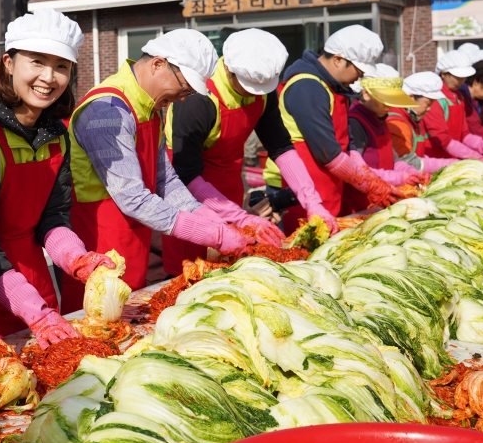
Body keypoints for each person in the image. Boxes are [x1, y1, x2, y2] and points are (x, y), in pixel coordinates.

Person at [0, 10, 114, 346]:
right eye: (37, 62)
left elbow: (53, 217)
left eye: (61, 66)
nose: (49, 77)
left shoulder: (57, 134)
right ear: (9, 63)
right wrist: (32, 309)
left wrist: (77, 258)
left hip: (37, 286)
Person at [62, 29, 256, 311]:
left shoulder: (150, 108)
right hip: (98, 253)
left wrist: (207, 217)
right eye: (184, 88)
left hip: (132, 248)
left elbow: (165, 180)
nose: (183, 98)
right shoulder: (107, 110)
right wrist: (212, 235)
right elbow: (132, 198)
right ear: (157, 64)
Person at [164, 29, 333, 276]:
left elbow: (281, 147)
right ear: (228, 69)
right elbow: (185, 173)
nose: (254, 94)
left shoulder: (263, 91)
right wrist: (240, 218)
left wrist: (313, 202)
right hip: (190, 201)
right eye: (248, 87)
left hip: (230, 191)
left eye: (260, 89)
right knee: (191, 275)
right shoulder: (198, 99)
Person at [262, 25, 402, 221]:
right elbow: (328, 153)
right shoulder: (307, 87)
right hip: (295, 189)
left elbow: (348, 143)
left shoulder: (335, 87)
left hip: (327, 186)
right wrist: (368, 184)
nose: (360, 77)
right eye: (358, 70)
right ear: (338, 60)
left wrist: (368, 175)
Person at [342, 64, 431, 214]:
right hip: (360, 207)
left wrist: (411, 173)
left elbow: (394, 161)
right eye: (384, 99)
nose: (389, 105)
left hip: (382, 203)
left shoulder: (381, 119)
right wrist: (400, 177)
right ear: (366, 94)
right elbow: (355, 171)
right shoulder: (354, 123)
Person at [385, 72, 459, 172]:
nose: (429, 109)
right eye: (428, 104)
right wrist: (449, 164)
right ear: (411, 97)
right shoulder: (398, 123)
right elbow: (408, 162)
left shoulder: (413, 119)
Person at [422, 50, 483, 160]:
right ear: (443, 74)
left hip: (453, 158)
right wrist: (475, 156)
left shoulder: (459, 97)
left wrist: (482, 146)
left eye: (464, 78)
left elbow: (465, 135)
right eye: (458, 78)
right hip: (434, 159)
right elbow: (443, 139)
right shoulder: (434, 98)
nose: (461, 82)